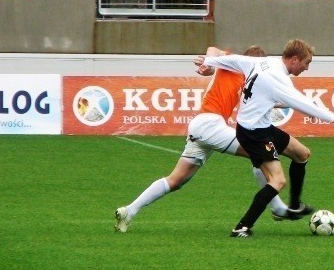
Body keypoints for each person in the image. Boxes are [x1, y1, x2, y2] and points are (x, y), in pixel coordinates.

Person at [114, 46, 300, 233]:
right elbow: (213, 50)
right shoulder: (233, 63)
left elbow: (277, 100)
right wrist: (208, 63)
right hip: (210, 124)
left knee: (176, 180)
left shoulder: (248, 80)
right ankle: (276, 207)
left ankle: (129, 211)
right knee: (259, 153)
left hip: (203, 127)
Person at [195, 40, 334, 238]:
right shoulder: (277, 78)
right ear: (294, 59)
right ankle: (241, 227)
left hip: (262, 127)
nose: (306, 68)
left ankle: (294, 206)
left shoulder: (264, 63)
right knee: (277, 180)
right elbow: (301, 101)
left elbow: (235, 60)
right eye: (306, 63)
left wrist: (210, 60)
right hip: (253, 133)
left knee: (302, 154)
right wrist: (333, 117)